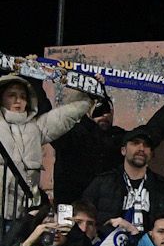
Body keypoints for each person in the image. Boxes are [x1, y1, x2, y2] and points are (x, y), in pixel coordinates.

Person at [0, 74, 97, 226]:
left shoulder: (35, 127)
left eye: (23, 96)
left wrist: (90, 91)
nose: (18, 100)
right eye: (11, 95)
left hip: (25, 214)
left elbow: (64, 116)